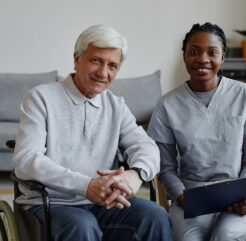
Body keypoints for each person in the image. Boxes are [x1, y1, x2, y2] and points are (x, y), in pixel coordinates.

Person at [12, 24, 173, 241]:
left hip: (103, 203)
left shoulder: (116, 105)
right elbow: (26, 160)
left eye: (112, 65)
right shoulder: (41, 98)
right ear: (77, 59)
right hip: (49, 204)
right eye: (96, 60)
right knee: (83, 226)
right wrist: (86, 186)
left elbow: (146, 147)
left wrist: (134, 175)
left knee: (155, 216)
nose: (103, 73)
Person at [148, 22, 246, 241]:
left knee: (226, 235)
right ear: (184, 56)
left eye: (212, 53)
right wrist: (184, 198)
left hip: (239, 196)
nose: (202, 59)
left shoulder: (243, 96)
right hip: (190, 198)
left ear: (222, 57)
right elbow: (165, 168)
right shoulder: (167, 105)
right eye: (194, 52)